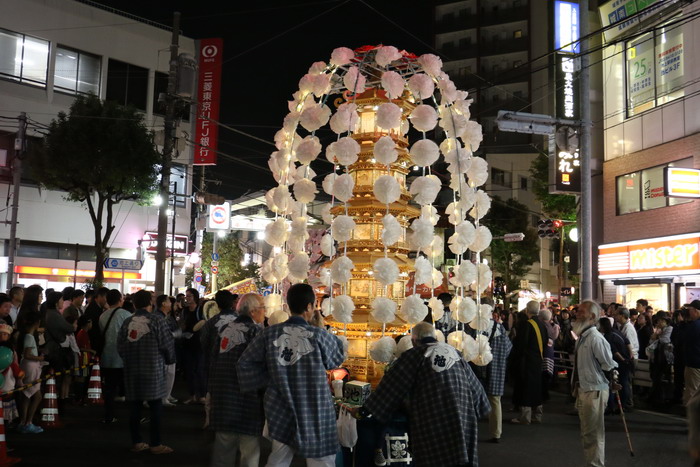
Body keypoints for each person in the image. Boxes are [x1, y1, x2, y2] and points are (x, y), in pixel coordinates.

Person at [238, 283, 345, 467]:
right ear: (310, 307)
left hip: (280, 404)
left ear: (288, 305)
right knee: (321, 460)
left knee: (278, 459)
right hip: (315, 407)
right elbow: (336, 359)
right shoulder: (319, 335)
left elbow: (245, 363)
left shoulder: (269, 334)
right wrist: (320, 327)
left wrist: (270, 379)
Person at [361, 322, 489, 466]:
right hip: (462, 417)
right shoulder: (454, 352)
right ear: (434, 336)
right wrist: (478, 410)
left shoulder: (414, 354)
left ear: (414, 340)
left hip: (433, 419)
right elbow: (476, 388)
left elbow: (391, 385)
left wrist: (365, 410)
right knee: (459, 457)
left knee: (434, 459)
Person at [203, 291, 265, 467]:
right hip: (247, 397)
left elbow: (212, 360)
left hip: (223, 394)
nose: (265, 312)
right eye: (263, 308)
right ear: (253, 311)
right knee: (249, 448)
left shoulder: (225, 330)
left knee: (223, 446)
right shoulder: (255, 331)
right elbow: (262, 365)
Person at [117, 289, 175, 455]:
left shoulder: (128, 322)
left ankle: (137, 442)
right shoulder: (157, 321)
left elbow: (120, 346)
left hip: (132, 369)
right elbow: (167, 344)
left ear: (134, 304)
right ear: (151, 303)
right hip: (153, 368)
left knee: (134, 406)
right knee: (155, 405)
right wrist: (170, 359)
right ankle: (155, 444)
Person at [573, 301, 617, 467]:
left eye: (581, 311)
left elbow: (608, 364)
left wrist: (613, 378)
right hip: (585, 388)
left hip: (594, 390)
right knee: (588, 432)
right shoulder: (583, 337)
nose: (577, 313)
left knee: (593, 433)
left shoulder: (595, 338)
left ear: (592, 316)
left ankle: (595, 464)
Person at [473, 311, 511, 443]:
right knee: (495, 400)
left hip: (475, 367)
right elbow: (508, 348)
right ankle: (496, 433)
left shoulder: (473, 326)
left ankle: (470, 432)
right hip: (496, 368)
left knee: (473, 400)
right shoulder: (500, 328)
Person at [509, 300, 548, 424]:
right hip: (538, 360)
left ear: (527, 310)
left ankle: (525, 416)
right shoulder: (542, 324)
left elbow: (520, 345)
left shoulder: (527, 325)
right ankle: (537, 415)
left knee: (525, 387)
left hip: (526, 361)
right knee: (536, 387)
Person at [99, 289, 131, 423]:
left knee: (109, 389)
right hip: (122, 357)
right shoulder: (126, 315)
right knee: (129, 388)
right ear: (120, 300)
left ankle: (109, 415)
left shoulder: (102, 316)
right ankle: (133, 416)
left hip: (106, 356)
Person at [43, 291, 77, 401]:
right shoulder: (54, 315)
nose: (63, 302)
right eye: (61, 299)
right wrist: (72, 326)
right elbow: (70, 328)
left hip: (54, 347)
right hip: (55, 349)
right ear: (56, 302)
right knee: (57, 376)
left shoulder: (52, 313)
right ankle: (55, 400)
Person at [16, 311, 45, 434]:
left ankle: (24, 422)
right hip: (31, 367)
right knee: (36, 396)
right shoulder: (29, 336)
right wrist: (40, 358)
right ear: (37, 323)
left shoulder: (25, 335)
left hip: (28, 367)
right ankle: (28, 422)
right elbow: (28, 354)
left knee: (26, 395)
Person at [182, 288, 206, 405]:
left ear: (195, 297)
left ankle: (202, 395)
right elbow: (182, 324)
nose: (187, 298)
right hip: (187, 343)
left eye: (189, 296)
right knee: (190, 370)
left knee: (199, 370)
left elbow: (204, 323)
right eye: (186, 296)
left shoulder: (200, 310)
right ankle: (192, 395)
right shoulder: (185, 311)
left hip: (199, 343)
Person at [154, 295, 179, 407]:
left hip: (161, 353)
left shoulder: (160, 316)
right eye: (169, 301)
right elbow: (165, 337)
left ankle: (164, 397)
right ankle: (163, 398)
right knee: (167, 375)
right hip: (164, 353)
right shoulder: (161, 318)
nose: (171, 304)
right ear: (163, 304)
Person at [646, 311, 674, 405]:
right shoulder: (657, 330)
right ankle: (656, 398)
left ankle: (661, 399)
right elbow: (651, 341)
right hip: (655, 358)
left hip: (665, 358)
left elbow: (665, 340)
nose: (658, 323)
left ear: (665, 321)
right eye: (658, 321)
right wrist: (655, 336)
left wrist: (656, 336)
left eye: (660, 321)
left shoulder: (669, 328)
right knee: (655, 377)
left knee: (661, 378)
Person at [684, 300, 700, 406]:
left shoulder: (694, 326)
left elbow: (685, 342)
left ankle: (694, 419)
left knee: (693, 391)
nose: (689, 313)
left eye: (690, 310)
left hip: (694, 363)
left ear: (695, 311)